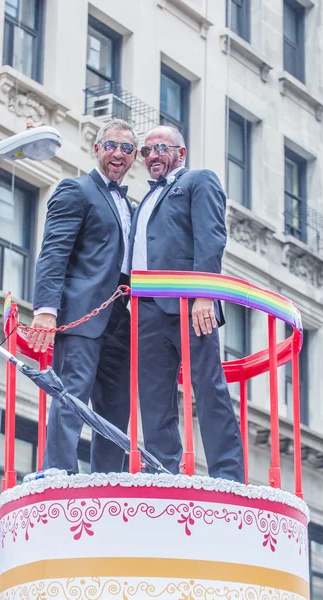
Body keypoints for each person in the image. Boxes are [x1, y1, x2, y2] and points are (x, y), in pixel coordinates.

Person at [130, 125, 244, 483]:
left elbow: (211, 238)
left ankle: (229, 475)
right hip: (146, 310)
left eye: (159, 148)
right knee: (154, 396)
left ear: (181, 152)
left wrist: (203, 295)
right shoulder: (144, 199)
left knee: (208, 387)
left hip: (189, 304)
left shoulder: (198, 181)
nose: (151, 156)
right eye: (146, 152)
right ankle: (163, 470)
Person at [27, 118, 137, 474]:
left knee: (117, 407)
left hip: (122, 320)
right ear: (97, 148)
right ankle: (58, 471)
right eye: (111, 145)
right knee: (71, 395)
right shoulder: (75, 190)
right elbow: (54, 252)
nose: (118, 153)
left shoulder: (132, 208)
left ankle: (109, 480)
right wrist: (46, 310)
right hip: (82, 316)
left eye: (127, 148)